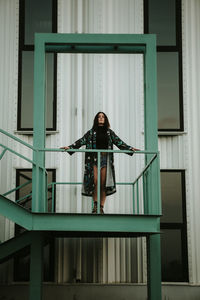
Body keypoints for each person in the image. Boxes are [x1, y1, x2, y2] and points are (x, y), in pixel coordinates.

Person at [60, 112, 139, 214]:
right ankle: (95, 205)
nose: (101, 118)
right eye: (99, 117)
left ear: (105, 119)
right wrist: (70, 147)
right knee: (95, 182)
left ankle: (101, 207)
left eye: (103, 117)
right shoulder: (91, 132)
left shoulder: (109, 133)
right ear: (96, 119)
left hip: (105, 159)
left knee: (103, 184)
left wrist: (130, 148)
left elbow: (119, 142)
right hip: (93, 160)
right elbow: (81, 141)